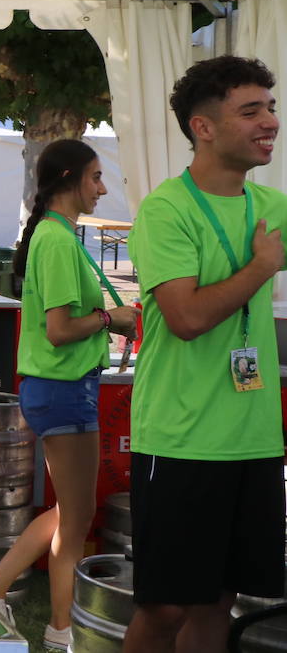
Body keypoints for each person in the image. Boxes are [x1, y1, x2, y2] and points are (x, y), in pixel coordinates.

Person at [122, 56, 285, 652]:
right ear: (204, 127)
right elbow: (185, 317)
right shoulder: (168, 209)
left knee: (220, 597)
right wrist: (261, 267)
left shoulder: (272, 206)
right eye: (251, 111)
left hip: (254, 437)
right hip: (182, 438)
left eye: (270, 107)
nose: (270, 121)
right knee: (167, 603)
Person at [0, 140, 138, 651]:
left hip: (63, 388)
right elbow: (60, 329)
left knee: (72, 512)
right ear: (69, 178)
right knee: (77, 518)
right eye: (95, 177)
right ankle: (59, 628)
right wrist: (116, 318)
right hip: (64, 390)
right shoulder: (59, 241)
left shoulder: (57, 234)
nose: (103, 188)